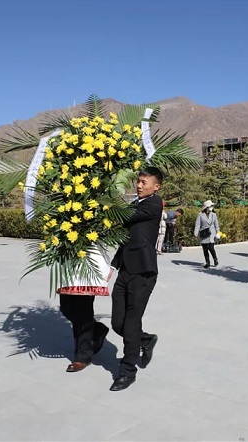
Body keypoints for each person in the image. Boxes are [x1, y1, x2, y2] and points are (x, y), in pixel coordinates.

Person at [108, 167, 164, 391]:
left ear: (156, 187)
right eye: (138, 181)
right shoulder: (135, 205)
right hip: (125, 271)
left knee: (131, 323)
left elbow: (127, 216)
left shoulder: (154, 204)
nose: (139, 185)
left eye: (143, 182)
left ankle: (127, 371)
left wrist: (108, 198)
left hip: (143, 273)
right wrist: (114, 264)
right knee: (117, 323)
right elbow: (125, 240)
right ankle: (145, 340)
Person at [194, 200, 220, 268]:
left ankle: (215, 259)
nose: (212, 207)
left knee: (211, 247)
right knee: (205, 249)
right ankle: (207, 262)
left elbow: (216, 225)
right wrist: (196, 233)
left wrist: (218, 233)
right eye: (210, 206)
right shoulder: (200, 215)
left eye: (212, 206)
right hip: (204, 233)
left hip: (212, 233)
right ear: (206, 207)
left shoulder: (214, 214)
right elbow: (197, 224)